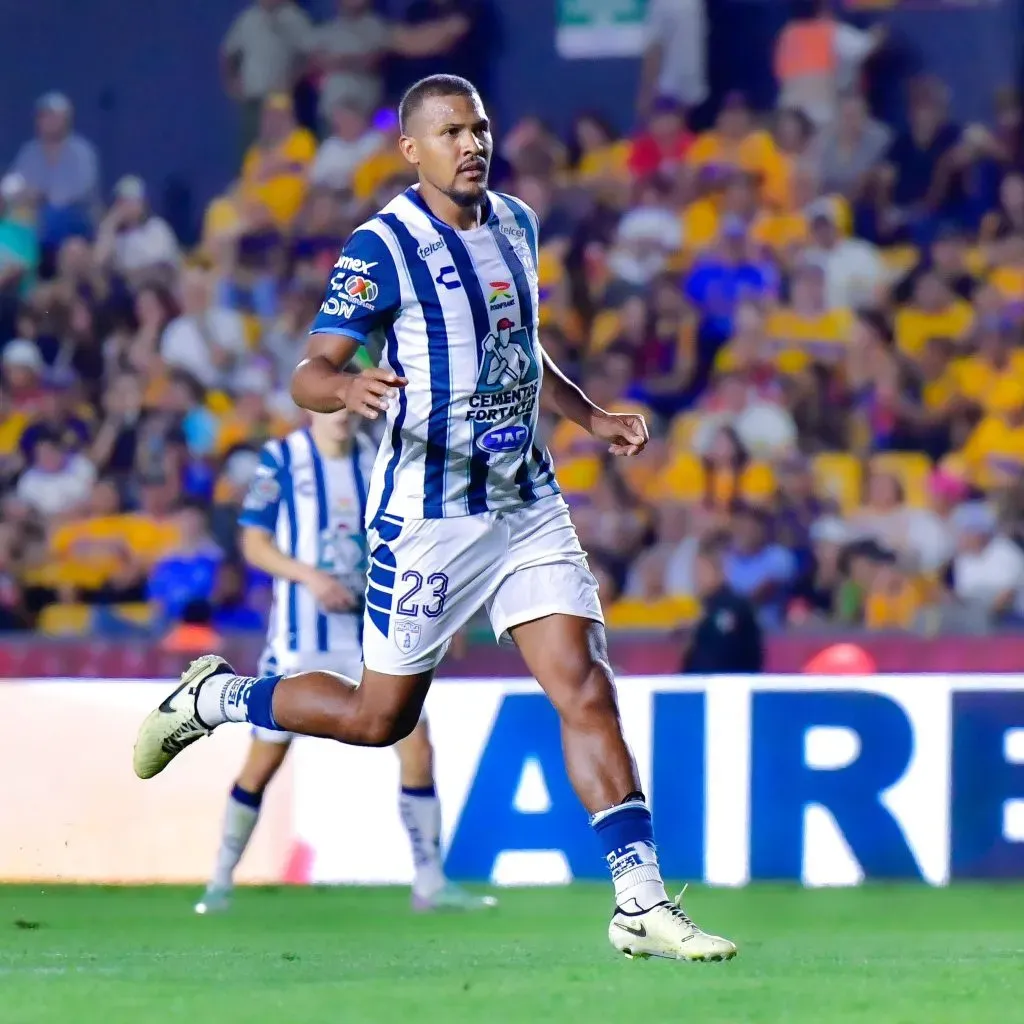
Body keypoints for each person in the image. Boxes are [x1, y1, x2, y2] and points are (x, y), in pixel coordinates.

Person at [133, 73, 736, 963]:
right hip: (429, 519)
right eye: (452, 131)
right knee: (381, 718)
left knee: (583, 682)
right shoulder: (381, 248)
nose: (472, 144)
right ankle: (217, 697)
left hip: (524, 499)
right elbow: (310, 370)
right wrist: (346, 385)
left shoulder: (519, 226)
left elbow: (518, 346)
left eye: (480, 127)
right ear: (412, 150)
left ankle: (639, 901)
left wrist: (590, 417)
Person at [195, 409, 492, 914]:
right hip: (299, 635)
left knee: (416, 742)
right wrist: (309, 577)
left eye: (352, 403)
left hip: (367, 633)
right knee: (263, 761)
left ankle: (430, 882)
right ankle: (220, 879)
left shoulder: (378, 458)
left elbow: (405, 536)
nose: (343, 413)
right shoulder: (281, 459)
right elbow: (254, 544)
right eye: (334, 402)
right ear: (313, 407)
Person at [682, 537, 763, 675]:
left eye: (701, 570)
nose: (697, 578)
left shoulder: (732, 607)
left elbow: (718, 657)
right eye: (695, 571)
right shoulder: (706, 609)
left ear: (718, 570)